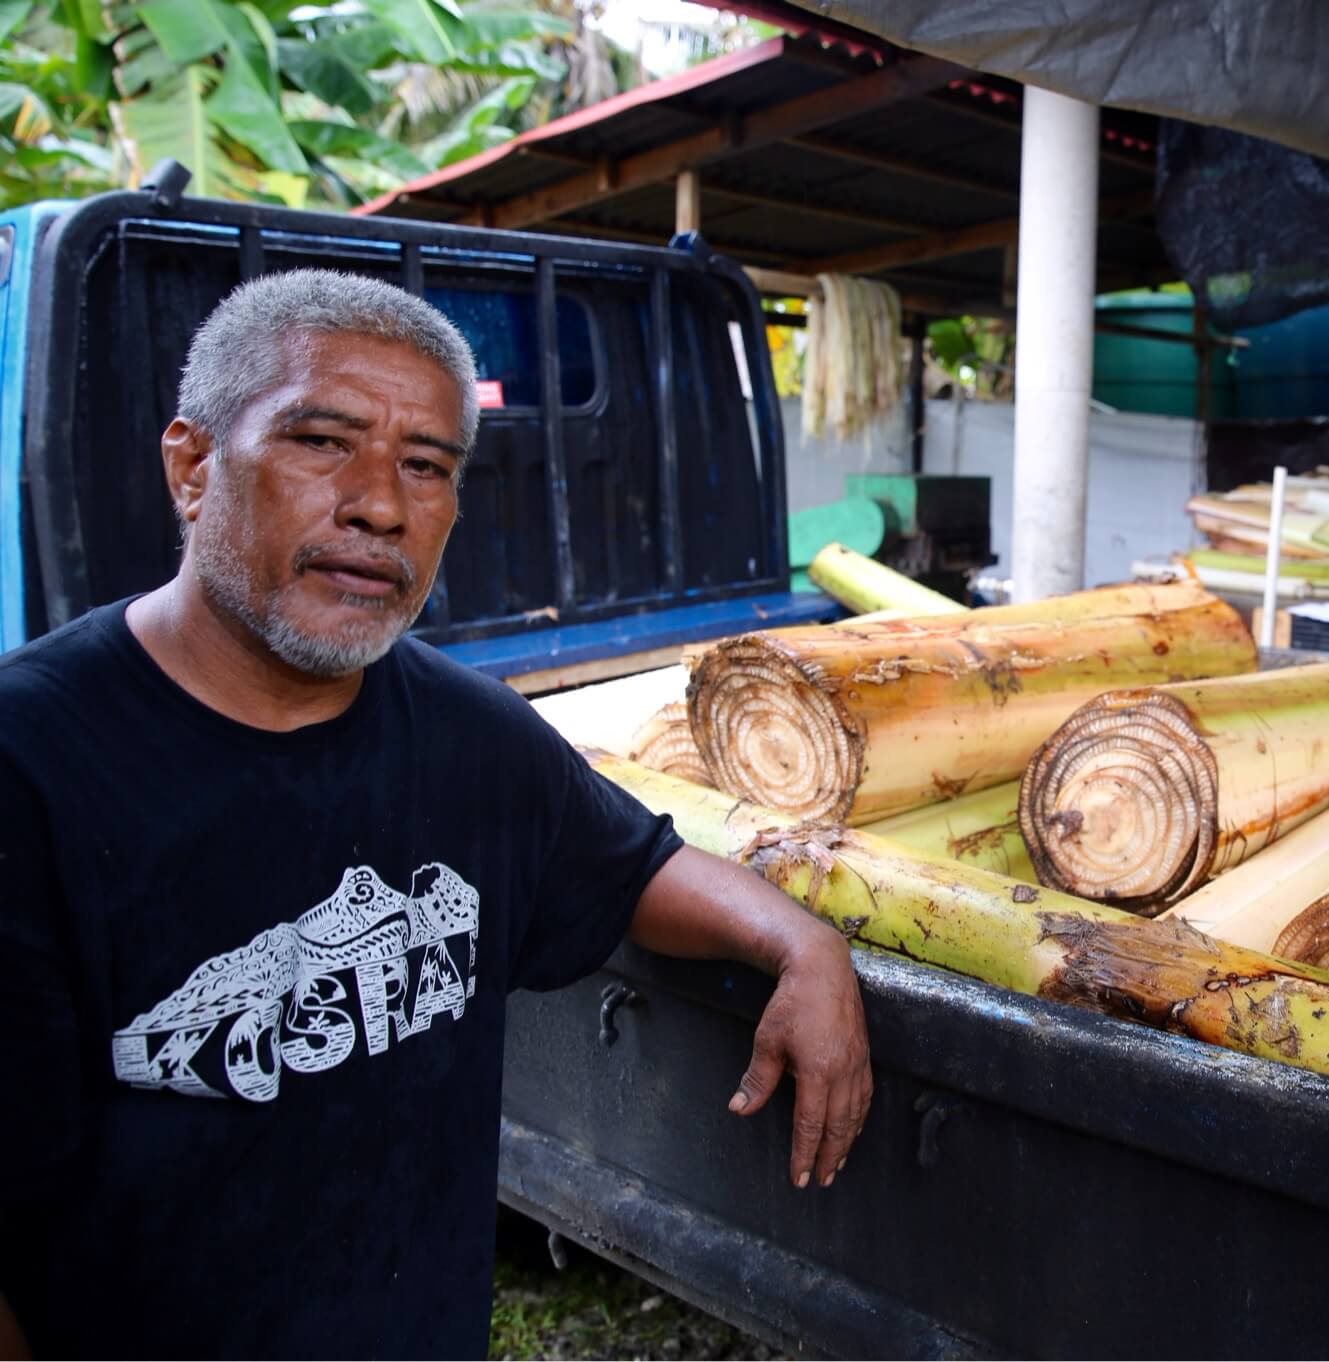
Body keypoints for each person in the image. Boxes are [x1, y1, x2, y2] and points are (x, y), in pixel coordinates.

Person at [0, 271, 872, 1358]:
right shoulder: (32, 765)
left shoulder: (469, 737)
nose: (380, 505)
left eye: (426, 465)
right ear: (191, 465)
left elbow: (627, 864)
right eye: (322, 442)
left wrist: (800, 942)